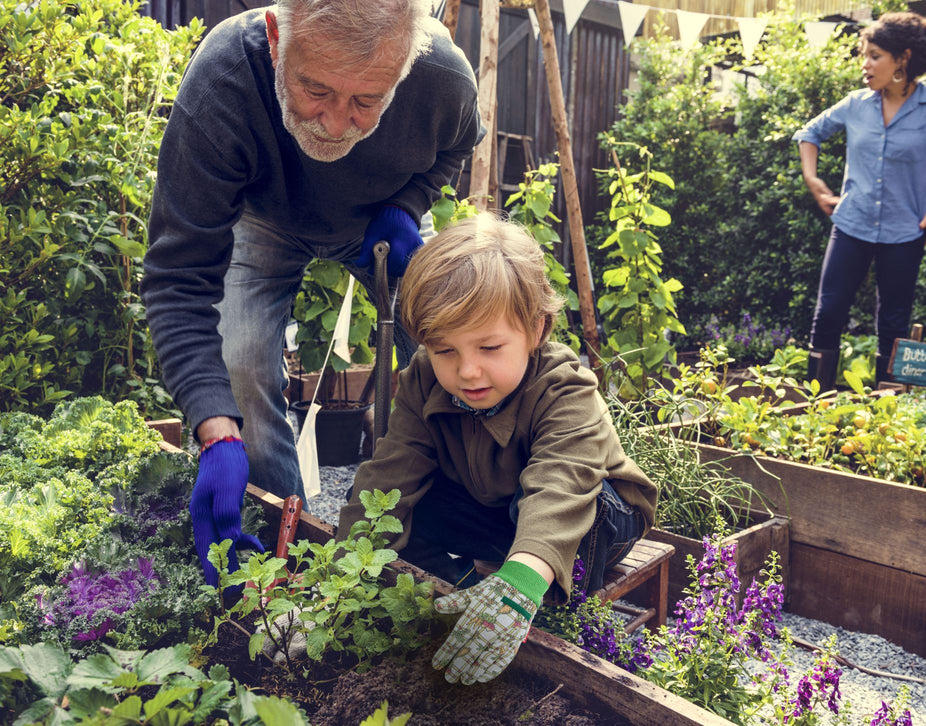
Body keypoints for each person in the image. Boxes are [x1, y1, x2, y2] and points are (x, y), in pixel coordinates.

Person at [140, 0, 482, 586]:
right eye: (315, 89)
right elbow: (179, 278)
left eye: (366, 102)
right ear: (277, 37)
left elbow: (455, 145)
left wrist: (407, 206)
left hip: (380, 220)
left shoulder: (441, 76)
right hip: (263, 221)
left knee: (458, 344)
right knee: (240, 371)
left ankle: (463, 526)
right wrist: (215, 430)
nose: (333, 121)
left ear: (404, 66)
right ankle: (285, 554)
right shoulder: (225, 79)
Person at [336, 212, 658, 685]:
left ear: (537, 329)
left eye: (489, 348)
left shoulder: (564, 386)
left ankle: (537, 611)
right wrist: (336, 584)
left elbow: (559, 485)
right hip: (497, 508)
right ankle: (466, 593)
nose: (467, 372)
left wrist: (522, 583)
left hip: (593, 515)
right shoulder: (423, 378)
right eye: (446, 350)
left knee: (577, 507)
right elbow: (389, 474)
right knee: (403, 509)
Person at [794, 11, 926, 388]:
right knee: (827, 315)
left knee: (893, 324)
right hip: (851, 224)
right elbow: (810, 133)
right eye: (864, 54)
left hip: (905, 232)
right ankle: (814, 408)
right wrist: (813, 178)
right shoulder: (856, 103)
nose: (865, 64)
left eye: (874, 55)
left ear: (902, 59)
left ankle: (887, 417)